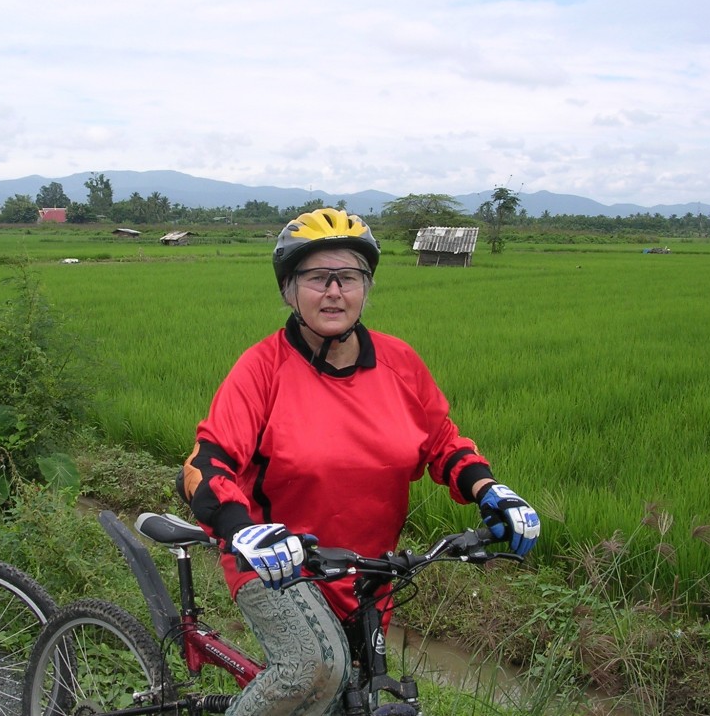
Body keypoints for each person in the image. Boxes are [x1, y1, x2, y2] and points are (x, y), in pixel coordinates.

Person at [178, 208, 540, 716]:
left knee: (355, 693)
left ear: (366, 288)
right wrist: (243, 530)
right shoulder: (262, 369)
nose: (333, 291)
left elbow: (441, 441)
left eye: (348, 277)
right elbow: (205, 464)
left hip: (367, 570)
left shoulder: (399, 364)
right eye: (315, 277)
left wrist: (490, 490)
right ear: (289, 289)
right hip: (274, 561)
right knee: (315, 668)